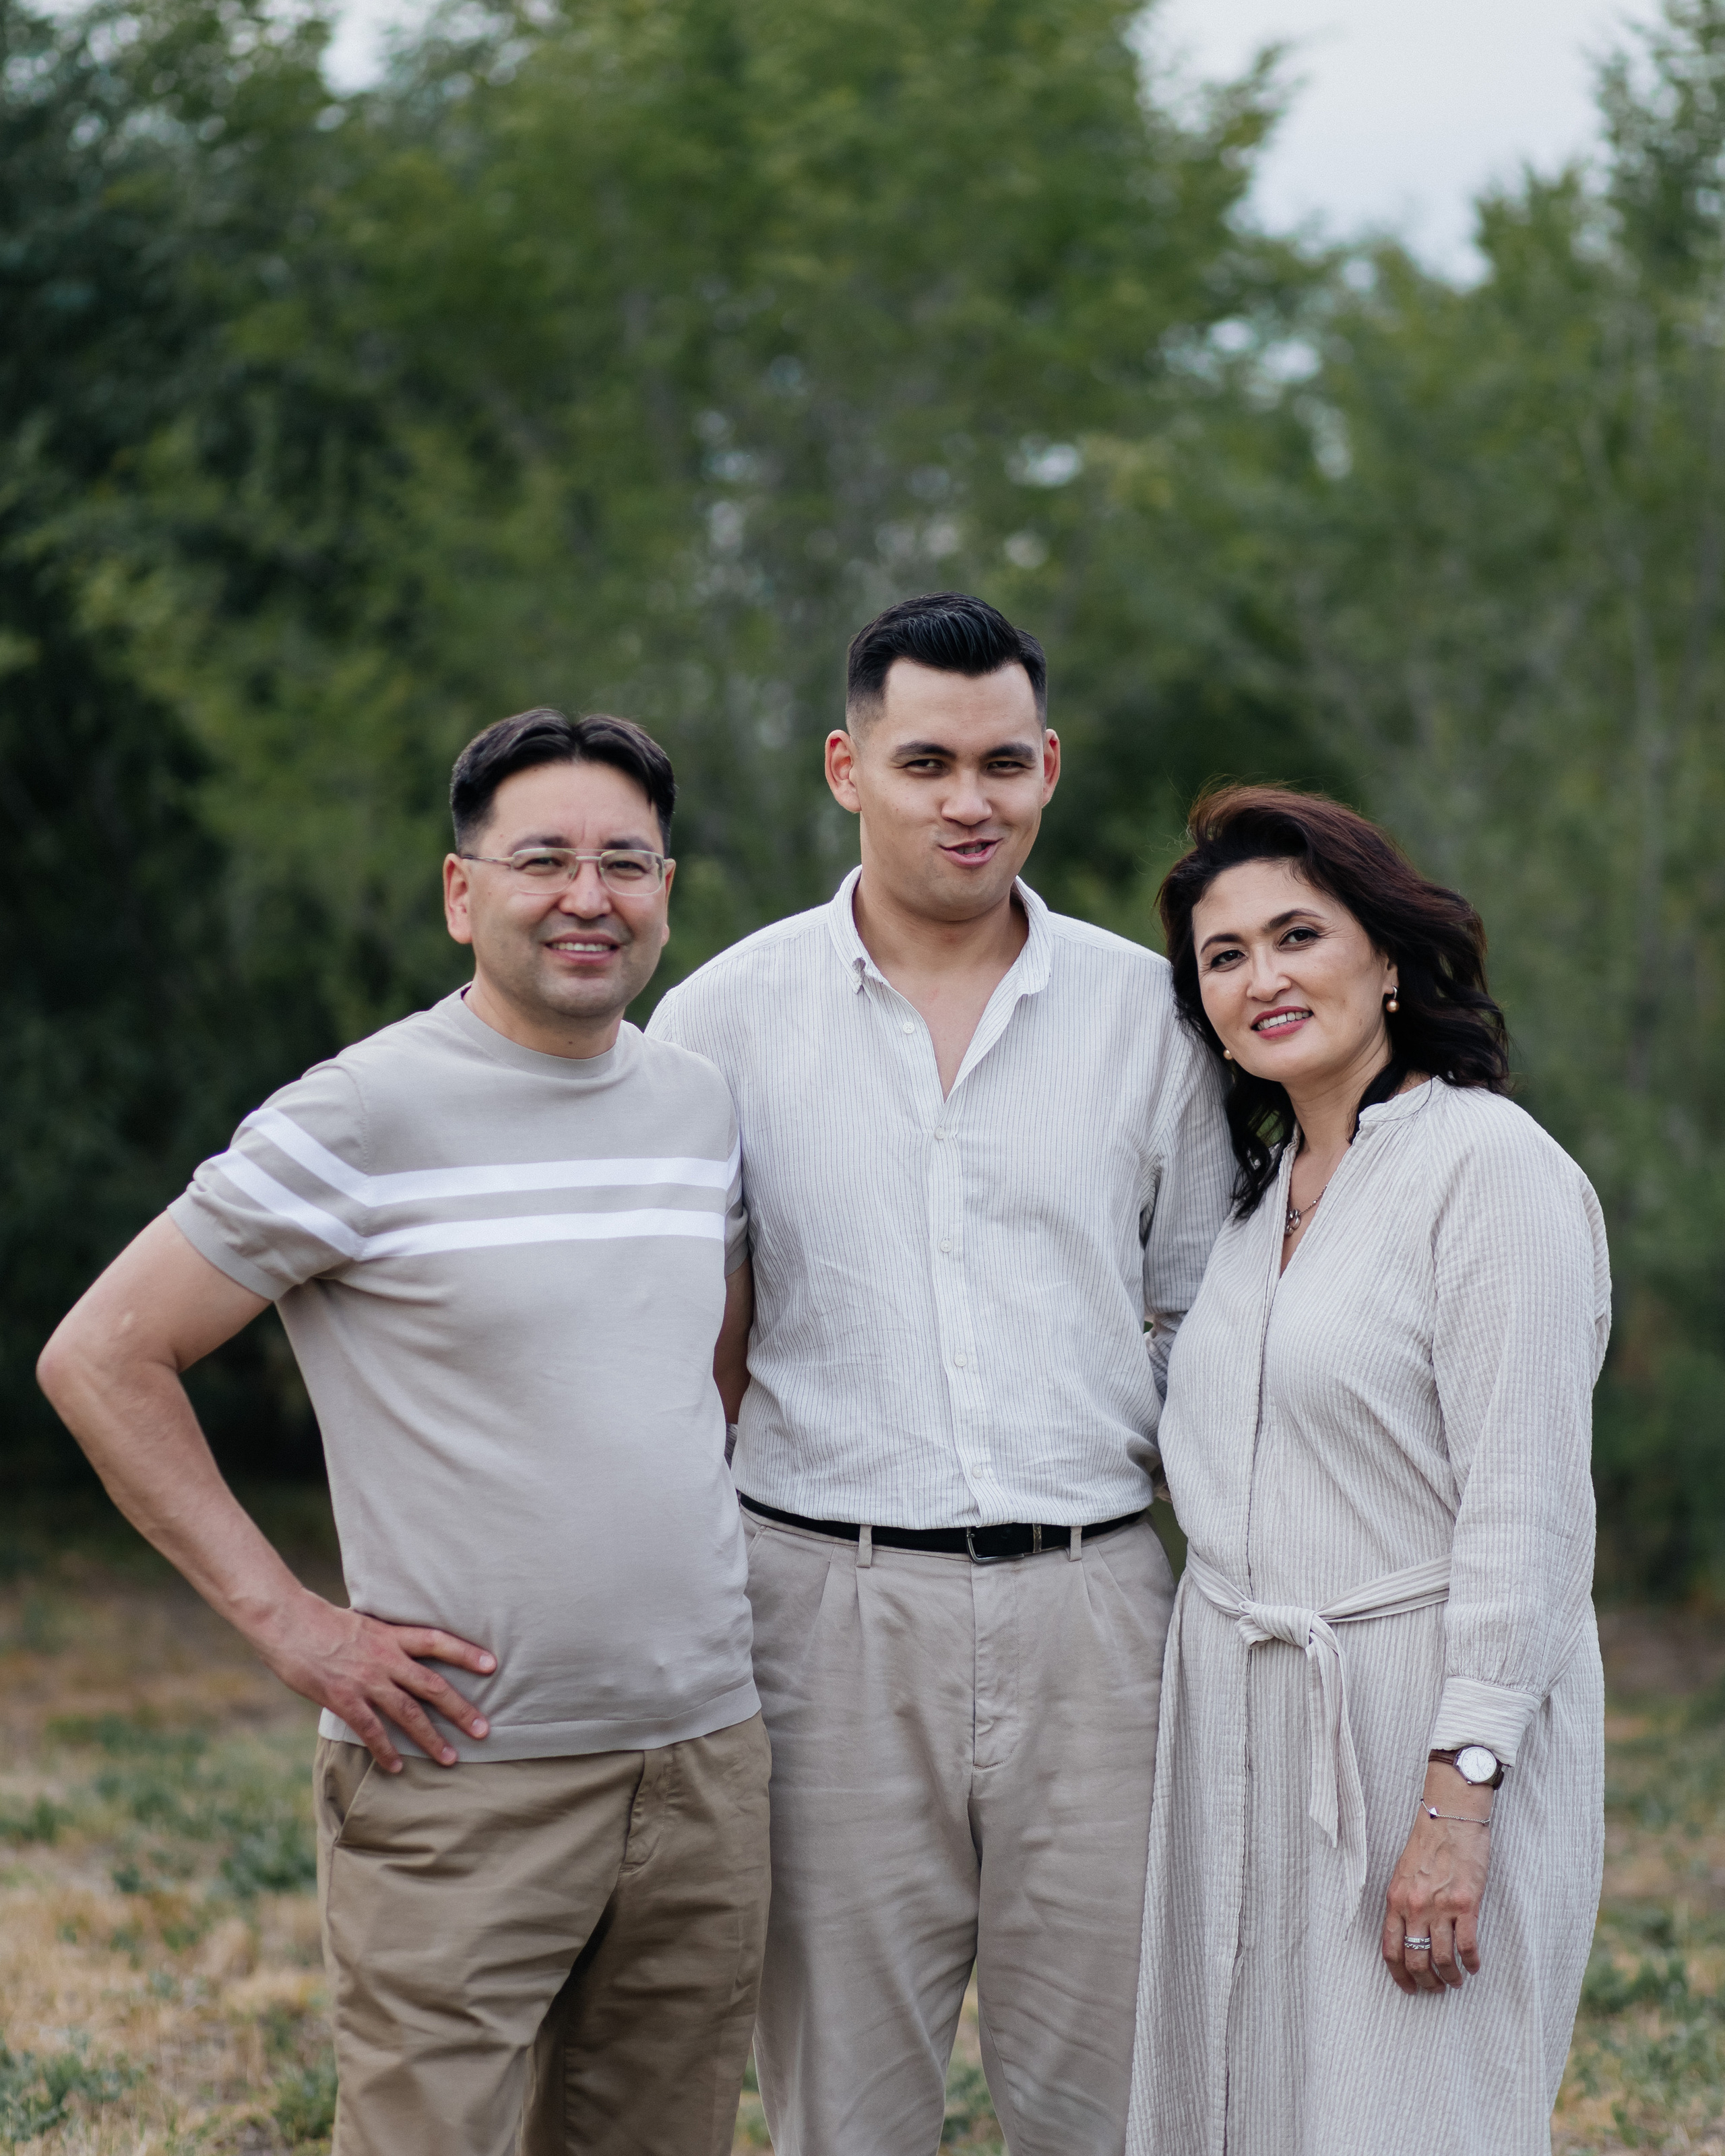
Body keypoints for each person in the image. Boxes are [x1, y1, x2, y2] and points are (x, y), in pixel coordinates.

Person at [36, 708, 771, 2156]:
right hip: (460, 1777)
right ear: (460, 891)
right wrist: (293, 1627)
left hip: (701, 1761)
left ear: (666, 892)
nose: (587, 895)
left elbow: (711, 1381)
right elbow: (104, 1357)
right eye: (542, 858)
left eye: (625, 862)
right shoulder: (359, 1115)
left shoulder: (700, 1110)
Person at [647, 592, 1233, 2156]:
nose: (965, 802)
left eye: (998, 763)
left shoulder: (1154, 1017)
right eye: (923, 762)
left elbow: (1199, 1318)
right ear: (846, 767)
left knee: (1110, 2099)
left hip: (1096, 1604)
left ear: (1049, 766)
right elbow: (680, 1335)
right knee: (845, 2100)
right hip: (819, 1608)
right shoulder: (718, 1018)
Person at [1123, 784, 1610, 2156]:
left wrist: (1456, 1800)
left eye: (1296, 934)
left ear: (1385, 956)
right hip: (1240, 1718)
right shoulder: (1255, 1196)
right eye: (1222, 956)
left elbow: (1523, 1517)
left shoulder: (1485, 1167)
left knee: (1408, 2119)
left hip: (1417, 1725)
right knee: (1244, 2106)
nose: (1260, 977)